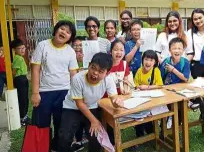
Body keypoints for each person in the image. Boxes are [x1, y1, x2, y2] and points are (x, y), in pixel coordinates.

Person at [58, 53, 124, 152]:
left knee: (96, 137)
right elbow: (79, 104)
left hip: (91, 106)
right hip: (72, 107)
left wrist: (117, 102)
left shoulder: (108, 80)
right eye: (93, 68)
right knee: (64, 137)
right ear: (89, 65)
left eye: (100, 71)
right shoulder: (77, 78)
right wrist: (94, 120)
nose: (95, 73)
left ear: (107, 73)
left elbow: (114, 99)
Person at [31, 20, 78, 150]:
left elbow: (73, 74)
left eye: (68, 32)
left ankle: (57, 147)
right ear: (56, 29)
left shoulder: (70, 51)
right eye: (62, 29)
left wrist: (75, 95)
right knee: (41, 124)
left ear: (70, 37)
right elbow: (35, 70)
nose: (64, 32)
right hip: (44, 92)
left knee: (61, 124)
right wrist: (35, 93)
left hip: (64, 93)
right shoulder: (42, 45)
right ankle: (41, 148)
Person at [134, 50, 163, 138]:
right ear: (142, 60)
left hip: (152, 99)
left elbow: (160, 85)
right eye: (146, 59)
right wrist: (138, 88)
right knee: (138, 115)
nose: (148, 62)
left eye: (151, 60)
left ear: (155, 62)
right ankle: (139, 135)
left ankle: (151, 132)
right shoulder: (139, 70)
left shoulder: (156, 71)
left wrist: (147, 87)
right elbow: (135, 84)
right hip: (140, 98)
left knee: (147, 117)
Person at [10, 39, 30, 126]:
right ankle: (22, 118)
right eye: (19, 48)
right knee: (22, 99)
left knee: (25, 98)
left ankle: (24, 116)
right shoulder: (17, 58)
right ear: (14, 50)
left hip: (23, 78)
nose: (22, 50)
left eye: (23, 48)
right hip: (20, 79)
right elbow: (14, 72)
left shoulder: (20, 58)